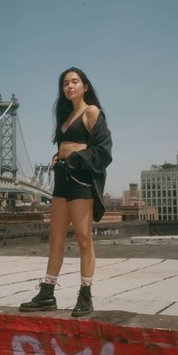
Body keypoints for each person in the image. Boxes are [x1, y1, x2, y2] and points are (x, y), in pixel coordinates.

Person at [19, 67, 112, 317]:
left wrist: (74, 158)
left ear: (85, 86)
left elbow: (104, 150)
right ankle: (47, 293)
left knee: (83, 239)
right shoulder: (66, 116)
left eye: (74, 81)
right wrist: (58, 156)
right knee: (55, 237)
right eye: (65, 83)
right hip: (61, 180)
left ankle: (85, 294)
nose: (69, 86)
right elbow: (66, 145)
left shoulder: (91, 112)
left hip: (81, 181)